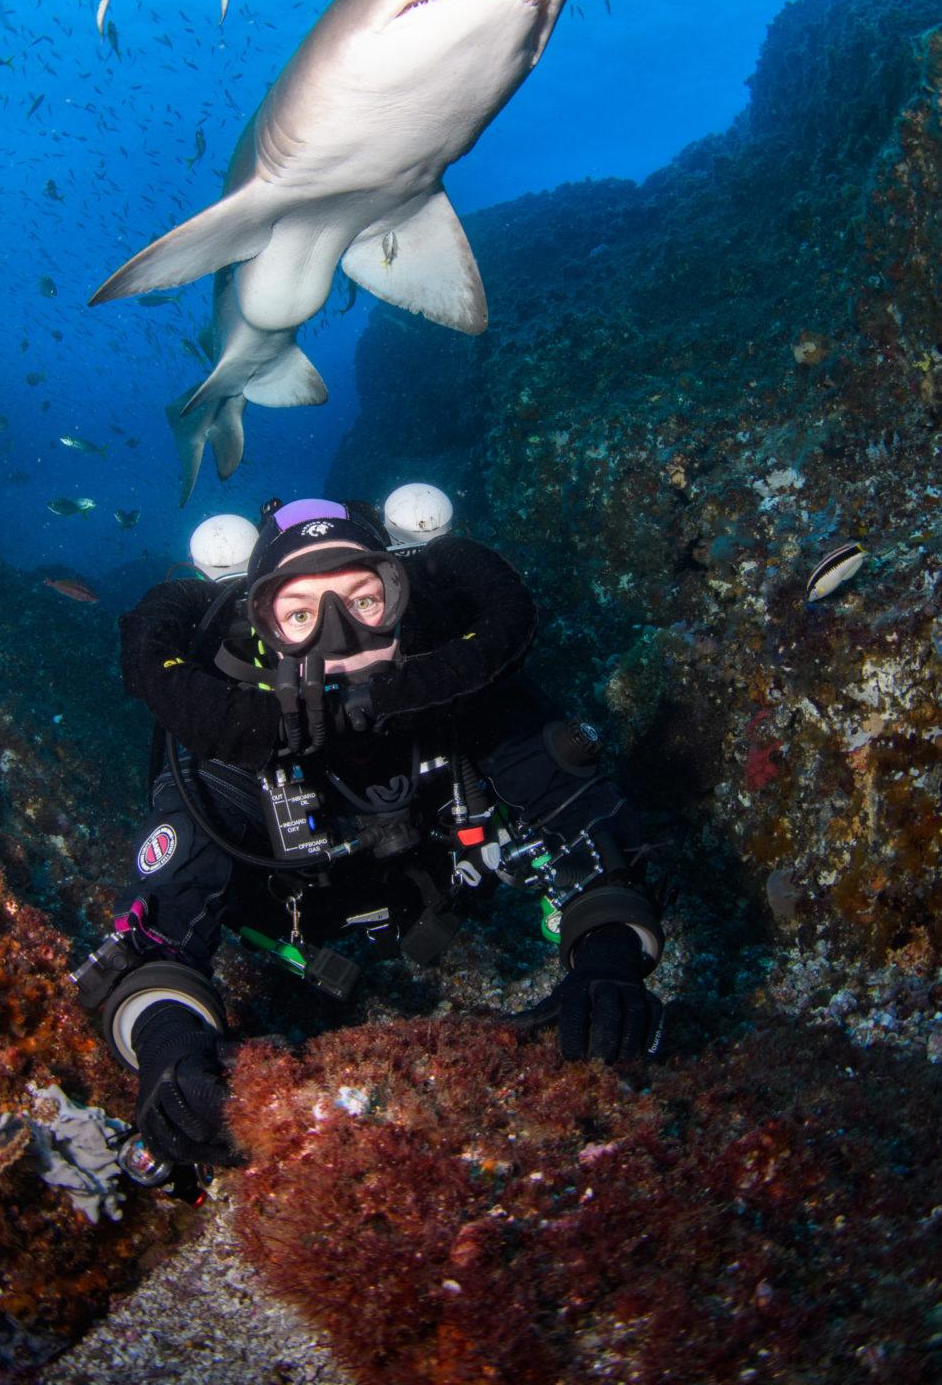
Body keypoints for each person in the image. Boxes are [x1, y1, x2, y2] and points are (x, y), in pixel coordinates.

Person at [75, 496, 665, 1172]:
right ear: (262, 631)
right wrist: (165, 1040)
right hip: (291, 932)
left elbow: (590, 823)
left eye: (361, 600)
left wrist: (608, 957)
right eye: (301, 615)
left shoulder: (466, 709)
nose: (340, 639)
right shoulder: (233, 756)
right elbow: (161, 919)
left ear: (401, 598)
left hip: (450, 899)